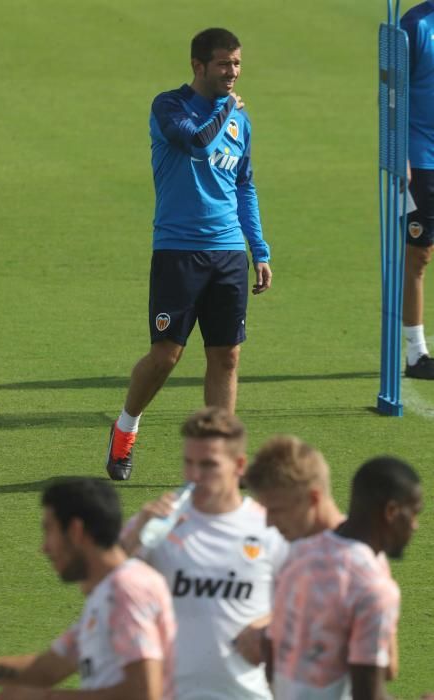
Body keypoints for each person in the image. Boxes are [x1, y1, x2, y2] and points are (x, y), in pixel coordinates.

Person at [106, 27, 272, 480]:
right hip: (178, 251)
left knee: (227, 357)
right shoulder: (169, 106)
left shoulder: (241, 121)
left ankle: (219, 458)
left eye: (237, 63)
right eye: (223, 64)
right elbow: (196, 140)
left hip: (227, 253)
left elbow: (244, 186)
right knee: (166, 355)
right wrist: (226, 110)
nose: (233, 72)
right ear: (198, 66)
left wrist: (258, 248)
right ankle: (125, 430)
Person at [121, 407, 290, 700]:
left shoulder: (270, 530)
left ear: (239, 466)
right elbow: (103, 592)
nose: (195, 476)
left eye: (209, 465)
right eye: (188, 463)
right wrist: (134, 538)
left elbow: (307, 605)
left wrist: (268, 625)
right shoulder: (157, 523)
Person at [0, 478, 175, 700]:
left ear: (76, 531)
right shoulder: (106, 595)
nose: (44, 548)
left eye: (49, 531)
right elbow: (45, 671)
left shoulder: (126, 591)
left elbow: (143, 693)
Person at [236, 436, 398, 681]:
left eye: (276, 510)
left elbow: (387, 665)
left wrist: (270, 635)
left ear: (313, 498)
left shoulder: (362, 558)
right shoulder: (293, 547)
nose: (268, 522)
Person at [269, 455, 422, 700]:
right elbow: (368, 693)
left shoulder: (298, 553)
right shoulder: (372, 587)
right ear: (391, 511)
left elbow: (270, 649)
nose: (415, 525)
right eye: (413, 513)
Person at [400, 2, 434, 379]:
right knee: (419, 254)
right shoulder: (415, 25)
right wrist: (399, 156)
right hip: (422, 160)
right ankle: (416, 353)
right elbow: (392, 92)